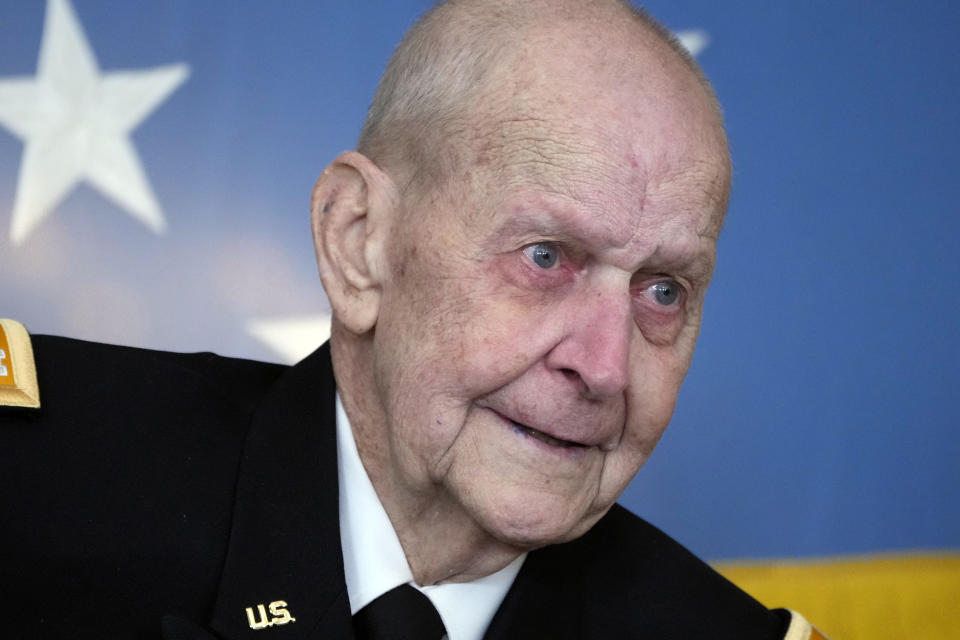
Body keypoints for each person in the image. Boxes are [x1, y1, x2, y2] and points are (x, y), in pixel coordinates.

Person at [0, 1, 825, 638]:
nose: (605, 368)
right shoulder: (35, 490)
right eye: (545, 257)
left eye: (663, 291)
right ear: (359, 243)